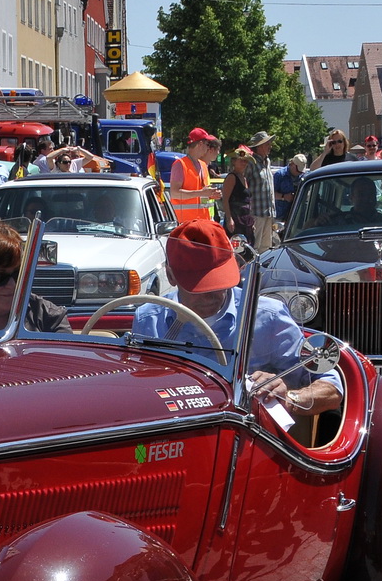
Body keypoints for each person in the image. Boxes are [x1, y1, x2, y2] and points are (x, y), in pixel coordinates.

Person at [135, 218, 343, 416]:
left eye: (219, 281)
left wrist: (289, 397)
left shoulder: (268, 317)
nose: (212, 294)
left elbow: (332, 387)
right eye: (199, 286)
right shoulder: (148, 321)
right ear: (171, 277)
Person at [170, 128, 221, 223]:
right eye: (207, 145)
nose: (208, 148)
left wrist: (211, 195)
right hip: (186, 225)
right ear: (200, 144)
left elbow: (201, 197)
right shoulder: (180, 164)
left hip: (204, 222)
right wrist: (202, 193)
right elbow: (174, 193)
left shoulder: (203, 165)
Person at [220, 146, 255, 240]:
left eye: (246, 161)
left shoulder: (244, 178)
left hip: (245, 219)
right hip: (235, 219)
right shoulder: (231, 177)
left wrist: (251, 220)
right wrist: (229, 219)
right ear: (234, 162)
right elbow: (225, 200)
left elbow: (247, 201)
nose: (244, 163)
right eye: (241, 160)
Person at [274, 154, 306, 223]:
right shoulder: (280, 175)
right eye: (298, 170)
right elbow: (271, 194)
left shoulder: (303, 175)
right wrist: (284, 197)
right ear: (292, 164)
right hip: (280, 216)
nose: (299, 172)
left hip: (297, 218)